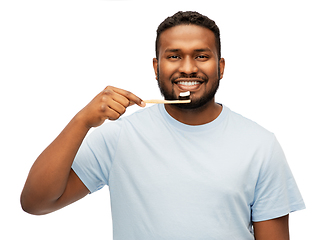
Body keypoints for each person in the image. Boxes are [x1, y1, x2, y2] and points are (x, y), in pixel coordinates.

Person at [21, 11, 305, 240]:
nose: (188, 67)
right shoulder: (120, 137)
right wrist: (81, 121)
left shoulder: (259, 144)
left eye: (201, 56)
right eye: (174, 56)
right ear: (157, 67)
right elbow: (36, 202)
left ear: (220, 66)